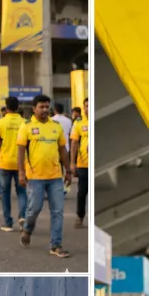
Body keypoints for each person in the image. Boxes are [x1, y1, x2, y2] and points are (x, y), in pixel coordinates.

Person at [16, 94, 71, 257]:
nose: (45, 109)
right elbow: (20, 151)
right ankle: (27, 229)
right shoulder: (26, 126)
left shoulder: (56, 126)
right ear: (34, 108)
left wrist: (68, 170)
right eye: (42, 107)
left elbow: (63, 150)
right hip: (35, 177)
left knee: (58, 211)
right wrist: (20, 172)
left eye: (47, 106)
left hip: (55, 176)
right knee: (34, 209)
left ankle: (56, 244)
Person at [0, 96, 28, 232]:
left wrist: (4, 146)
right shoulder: (25, 122)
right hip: (21, 163)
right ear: (18, 107)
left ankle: (8, 223)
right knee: (22, 192)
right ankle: (23, 216)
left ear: (6, 107)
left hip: (5, 162)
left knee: (5, 193)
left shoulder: (0, 122)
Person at [70, 97, 89, 229]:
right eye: (86, 106)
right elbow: (74, 143)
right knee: (82, 192)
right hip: (83, 164)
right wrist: (72, 163)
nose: (88, 109)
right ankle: (80, 216)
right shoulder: (79, 123)